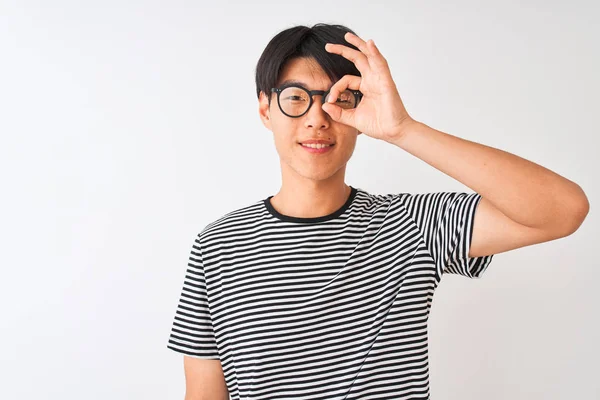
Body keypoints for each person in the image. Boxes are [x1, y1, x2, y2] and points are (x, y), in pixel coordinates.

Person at [166, 23, 589, 400]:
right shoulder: (217, 244)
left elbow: (562, 210)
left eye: (339, 99)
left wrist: (403, 129)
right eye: (296, 98)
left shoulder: (415, 224)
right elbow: (204, 393)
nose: (318, 118)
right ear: (265, 109)